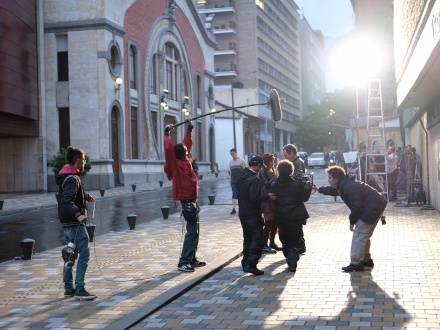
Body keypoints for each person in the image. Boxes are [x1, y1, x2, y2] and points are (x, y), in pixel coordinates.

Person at [312, 166, 387, 272]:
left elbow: (357, 207)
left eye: (329, 178)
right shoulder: (344, 184)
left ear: (336, 178)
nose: (328, 180)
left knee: (359, 234)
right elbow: (334, 191)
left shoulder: (348, 186)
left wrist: (352, 222)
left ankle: (356, 263)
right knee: (364, 235)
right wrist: (318, 189)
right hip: (376, 205)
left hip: (372, 208)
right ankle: (366, 260)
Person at [164, 119, 206, 272]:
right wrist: (166, 133)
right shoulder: (175, 164)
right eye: (186, 153)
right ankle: (183, 262)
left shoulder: (185, 161)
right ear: (180, 155)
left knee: (196, 230)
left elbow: (187, 144)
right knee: (191, 231)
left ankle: (192, 258)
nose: (188, 153)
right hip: (187, 201)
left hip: (193, 199)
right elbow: (168, 149)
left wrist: (189, 128)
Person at [56, 146, 96, 300]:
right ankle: (80, 288)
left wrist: (84, 196)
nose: (85, 162)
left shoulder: (67, 176)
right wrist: (78, 214)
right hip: (75, 224)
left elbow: (70, 195)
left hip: (67, 224)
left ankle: (68, 288)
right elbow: (66, 201)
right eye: (84, 160)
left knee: (70, 256)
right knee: (84, 254)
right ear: (78, 161)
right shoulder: (73, 178)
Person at [237, 155, 277, 275]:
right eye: (260, 167)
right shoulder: (254, 179)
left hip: (243, 212)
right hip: (252, 213)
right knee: (257, 239)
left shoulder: (241, 176)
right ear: (259, 166)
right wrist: (268, 196)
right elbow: (255, 197)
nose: (260, 169)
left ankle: (245, 263)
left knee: (248, 238)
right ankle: (251, 264)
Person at [270, 160, 312, 272]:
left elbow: (270, 198)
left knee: (284, 239)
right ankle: (292, 261)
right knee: (294, 239)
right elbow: (304, 198)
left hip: (281, 217)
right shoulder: (297, 184)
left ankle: (290, 258)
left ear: (278, 171)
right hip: (296, 217)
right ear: (291, 171)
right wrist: (308, 189)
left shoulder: (273, 185)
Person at [282, 143, 306, 253]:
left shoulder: (298, 163)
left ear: (292, 153)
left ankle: (300, 245)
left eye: (286, 155)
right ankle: (300, 244)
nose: (285, 158)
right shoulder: (296, 162)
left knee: (297, 222)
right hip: (295, 195)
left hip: (296, 196)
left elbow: (296, 178)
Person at [260, 152, 280, 253]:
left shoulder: (272, 169)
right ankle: (264, 244)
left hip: (273, 198)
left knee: (275, 222)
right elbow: (266, 185)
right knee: (268, 222)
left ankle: (272, 242)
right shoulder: (263, 171)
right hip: (266, 198)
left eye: (273, 161)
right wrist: (275, 177)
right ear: (267, 162)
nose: (273, 162)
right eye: (272, 161)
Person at [229, 148, 246, 215]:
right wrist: (230, 180)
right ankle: (234, 208)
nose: (232, 155)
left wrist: (245, 180)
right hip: (233, 181)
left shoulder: (242, 161)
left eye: (233, 154)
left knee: (241, 195)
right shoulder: (231, 162)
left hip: (241, 181)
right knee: (234, 193)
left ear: (236, 153)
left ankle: (242, 208)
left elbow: (245, 171)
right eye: (231, 154)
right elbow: (231, 172)